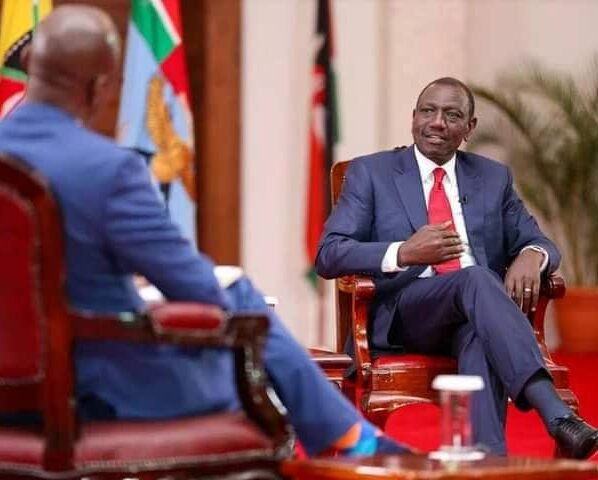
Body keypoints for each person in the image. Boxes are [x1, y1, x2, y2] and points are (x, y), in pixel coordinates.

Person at [0, 4, 410, 458]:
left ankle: (350, 438)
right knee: (238, 299)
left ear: (29, 63)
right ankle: (354, 442)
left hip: (9, 398)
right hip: (100, 391)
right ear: (100, 87)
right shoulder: (108, 170)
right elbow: (194, 289)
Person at [316, 76, 598, 459]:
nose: (437, 122)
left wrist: (532, 256)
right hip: (404, 315)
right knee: (477, 279)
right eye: (428, 111)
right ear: (413, 118)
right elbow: (330, 254)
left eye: (451, 115)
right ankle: (556, 414)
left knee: (479, 331)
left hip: (476, 315)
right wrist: (403, 252)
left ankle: (487, 462)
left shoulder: (492, 178)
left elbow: (539, 241)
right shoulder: (372, 173)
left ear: (469, 127)